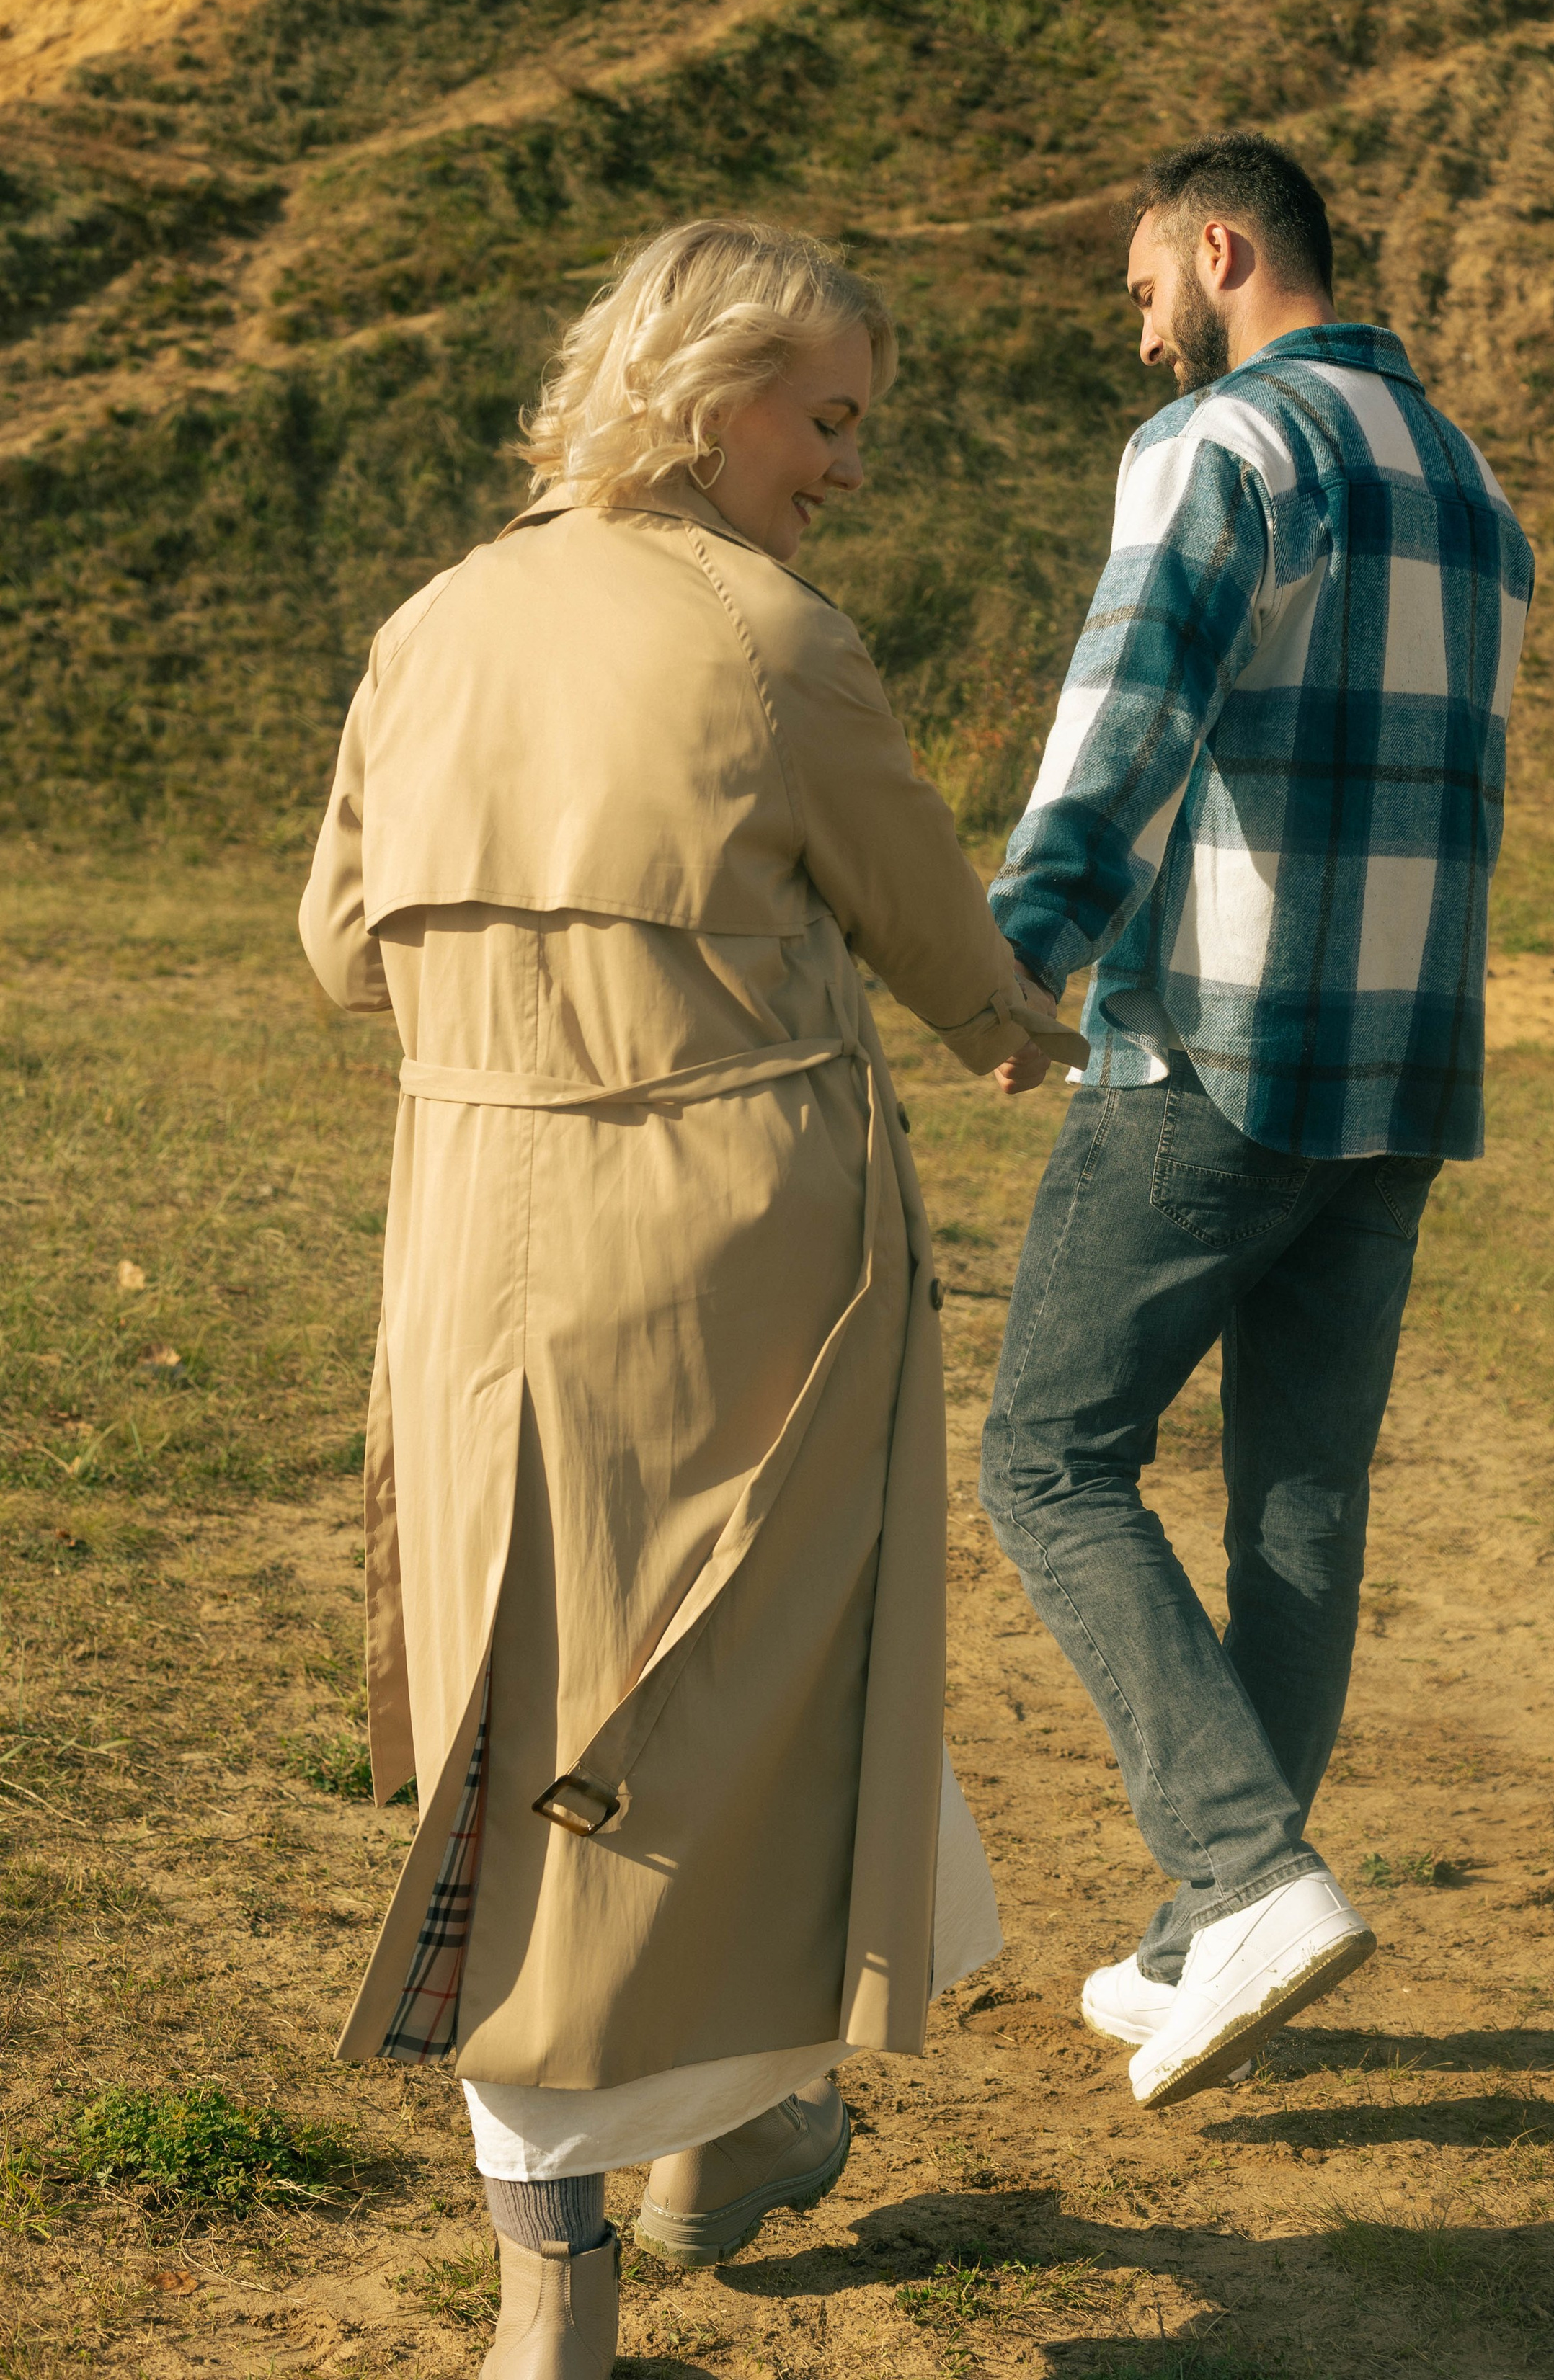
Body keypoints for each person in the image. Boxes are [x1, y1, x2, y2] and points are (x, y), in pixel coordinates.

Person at [298, 218, 1085, 2380]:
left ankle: (693, 2168)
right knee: (736, 1693)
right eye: (826, 419)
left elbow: (338, 942)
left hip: (471, 1232)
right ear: (715, 382)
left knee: (525, 1710)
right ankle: (625, 2227)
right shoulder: (772, 641)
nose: (842, 467)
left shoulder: (428, 625)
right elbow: (946, 940)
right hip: (745, 1244)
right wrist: (1028, 1027)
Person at [980, 132, 1532, 2111]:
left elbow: (1131, 710)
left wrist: (1023, 942)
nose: (1144, 330)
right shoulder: (1466, 480)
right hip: (1405, 1073)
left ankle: (1243, 1872)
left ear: (1224, 250)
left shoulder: (1229, 446)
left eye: (1146, 287)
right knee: (1300, 1504)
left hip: (1220, 1043)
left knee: (1047, 1463)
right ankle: (1199, 1936)